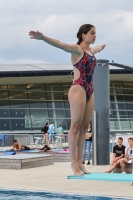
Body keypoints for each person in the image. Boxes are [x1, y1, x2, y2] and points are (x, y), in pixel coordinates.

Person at [29, 24, 106, 175]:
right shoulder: (77, 49)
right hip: (79, 88)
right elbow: (60, 44)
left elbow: (97, 48)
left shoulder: (91, 50)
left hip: (90, 90)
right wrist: (42, 37)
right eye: (92, 33)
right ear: (83, 35)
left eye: (95, 33)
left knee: (84, 127)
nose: (95, 35)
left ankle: (80, 161)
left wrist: (102, 46)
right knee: (75, 126)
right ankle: (73, 163)